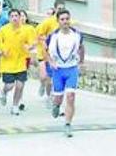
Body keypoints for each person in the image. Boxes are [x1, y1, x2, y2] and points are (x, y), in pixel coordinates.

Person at [47, 8, 85, 138]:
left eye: (67, 19)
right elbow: (45, 51)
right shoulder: (53, 36)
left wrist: (81, 62)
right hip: (58, 70)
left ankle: (68, 124)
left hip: (71, 69)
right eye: (62, 19)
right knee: (59, 97)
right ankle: (56, 105)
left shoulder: (77, 34)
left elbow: (81, 47)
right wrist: (50, 62)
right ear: (58, 21)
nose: (65, 22)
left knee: (71, 97)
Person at [0, 9, 35, 115]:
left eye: (16, 16)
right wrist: (2, 51)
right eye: (12, 16)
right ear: (9, 18)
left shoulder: (26, 30)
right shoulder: (3, 30)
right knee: (10, 85)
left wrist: (30, 46)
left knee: (20, 86)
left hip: (21, 62)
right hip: (8, 63)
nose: (14, 18)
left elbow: (32, 43)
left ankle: (15, 106)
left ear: (20, 17)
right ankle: (3, 92)